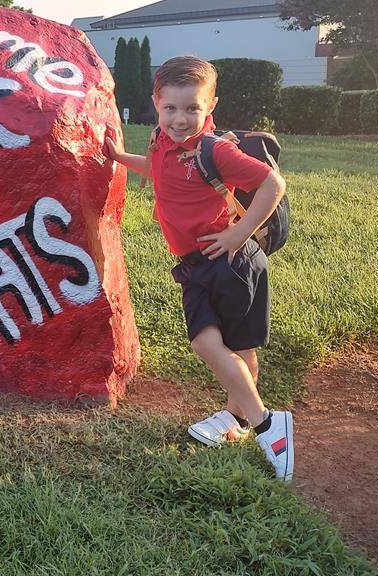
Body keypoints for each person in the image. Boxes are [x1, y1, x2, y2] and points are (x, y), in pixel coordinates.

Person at [105, 55, 294, 480]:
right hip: (195, 265)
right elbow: (154, 170)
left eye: (192, 108)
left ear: (211, 106)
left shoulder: (216, 150)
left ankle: (261, 422)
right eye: (171, 107)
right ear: (156, 102)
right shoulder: (161, 142)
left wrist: (240, 233)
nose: (180, 118)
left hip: (230, 261)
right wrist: (117, 155)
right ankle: (242, 417)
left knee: (229, 345)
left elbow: (271, 184)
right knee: (220, 343)